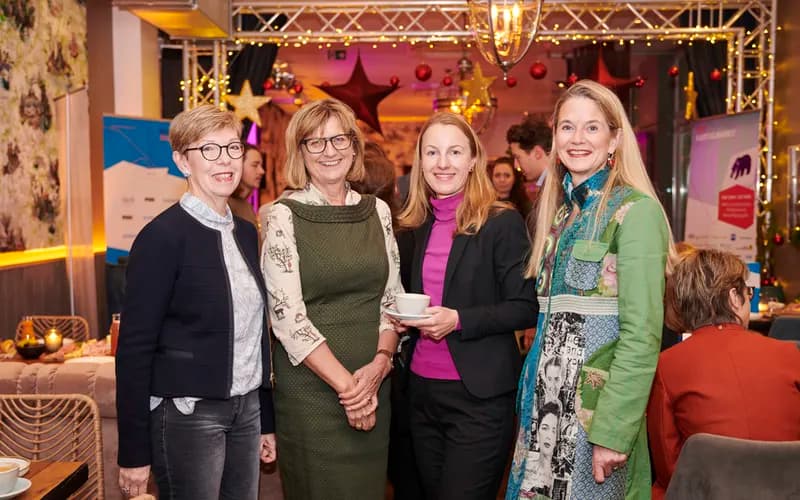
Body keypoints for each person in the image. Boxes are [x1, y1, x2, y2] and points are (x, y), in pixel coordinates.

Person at [507, 80, 673, 500]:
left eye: (592, 127)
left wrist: (613, 432)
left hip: (591, 421)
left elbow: (642, 335)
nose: (577, 138)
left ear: (614, 139)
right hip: (542, 413)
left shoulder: (636, 212)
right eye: (567, 127)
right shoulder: (560, 215)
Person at [116, 104, 276, 500]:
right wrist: (133, 452)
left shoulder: (246, 232)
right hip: (188, 413)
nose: (225, 160)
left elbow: (255, 333)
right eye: (209, 149)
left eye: (233, 147)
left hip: (246, 410)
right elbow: (134, 350)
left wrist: (266, 419)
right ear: (182, 162)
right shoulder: (161, 237)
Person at [259, 98, 403, 500]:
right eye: (316, 142)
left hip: (374, 383)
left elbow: (392, 299)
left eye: (339, 139)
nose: (330, 151)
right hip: (313, 394)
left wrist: (381, 364)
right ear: (300, 152)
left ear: (354, 147)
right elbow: (287, 318)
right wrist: (350, 391)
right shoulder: (283, 215)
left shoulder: (378, 212)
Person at [394, 112, 538, 500]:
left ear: (473, 159)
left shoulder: (501, 223)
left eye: (455, 152)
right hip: (422, 394)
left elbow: (525, 306)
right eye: (432, 152)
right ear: (420, 161)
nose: (443, 163)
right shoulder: (414, 225)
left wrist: (458, 320)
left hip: (479, 399)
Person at [647, 248, 800, 500]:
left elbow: (668, 469)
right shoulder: (790, 355)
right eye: (748, 293)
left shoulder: (667, 365)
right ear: (733, 297)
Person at [506, 116, 552, 202]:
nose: (516, 166)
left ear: (537, 153)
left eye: (518, 157)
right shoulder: (547, 183)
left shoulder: (559, 185)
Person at [521, 402, 561, 497]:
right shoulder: (527, 466)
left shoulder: (559, 473)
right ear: (538, 433)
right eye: (545, 428)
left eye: (553, 431)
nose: (549, 436)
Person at [229, 143, 265, 228]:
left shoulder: (247, 206)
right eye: (255, 165)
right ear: (238, 166)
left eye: (261, 166)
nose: (262, 171)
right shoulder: (226, 205)